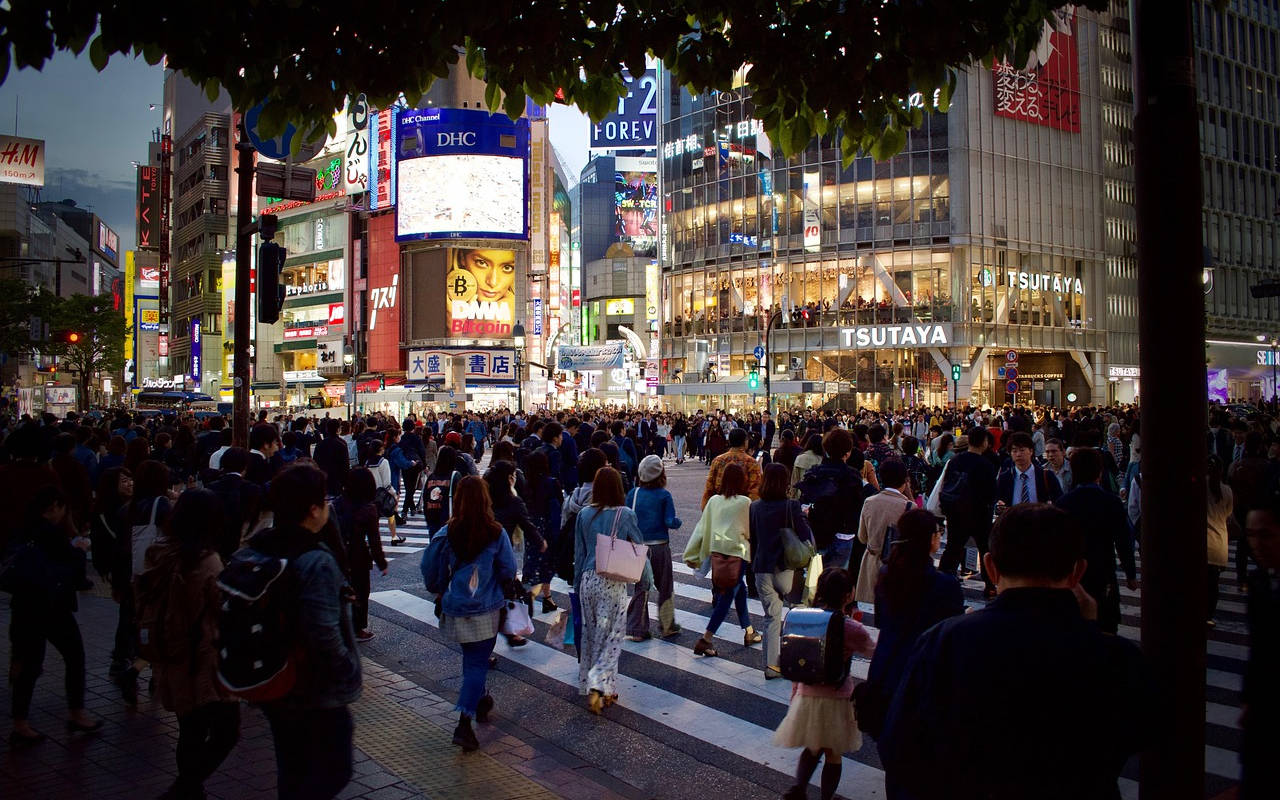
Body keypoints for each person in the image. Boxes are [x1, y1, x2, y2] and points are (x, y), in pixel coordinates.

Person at [878, 503, 1150, 799]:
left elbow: (900, 746)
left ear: (991, 567)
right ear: (1077, 571)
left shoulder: (946, 642)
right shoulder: (1116, 658)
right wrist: (1089, 630)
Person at [251, 463, 362, 800]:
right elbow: (323, 632)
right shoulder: (315, 560)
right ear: (313, 510)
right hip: (313, 682)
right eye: (324, 501)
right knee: (335, 768)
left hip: (274, 671)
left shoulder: (261, 545)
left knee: (291, 765)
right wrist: (346, 667)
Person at [141, 489, 241, 800]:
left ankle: (190, 791)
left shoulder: (159, 554)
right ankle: (184, 789)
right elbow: (224, 609)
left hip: (171, 654)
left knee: (190, 729)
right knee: (227, 731)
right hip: (204, 658)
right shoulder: (206, 561)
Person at [5, 485, 100, 748]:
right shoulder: (52, 534)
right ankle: (76, 713)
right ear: (56, 507)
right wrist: (80, 549)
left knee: (28, 662)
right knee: (74, 655)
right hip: (52, 605)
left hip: (24, 603)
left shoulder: (23, 530)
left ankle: (20, 723)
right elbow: (74, 569)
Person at [860, 509, 963, 741]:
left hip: (886, 666)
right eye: (938, 532)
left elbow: (881, 620)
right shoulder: (945, 585)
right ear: (929, 539)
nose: (940, 536)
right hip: (924, 674)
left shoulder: (887, 573)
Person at [773, 567, 875, 800]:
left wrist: (795, 694)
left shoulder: (807, 619)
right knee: (833, 753)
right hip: (837, 698)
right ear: (848, 595)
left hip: (807, 696)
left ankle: (799, 788)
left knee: (812, 747)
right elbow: (874, 651)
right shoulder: (850, 627)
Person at [433, 475, 519, 751]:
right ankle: (464, 723)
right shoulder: (495, 532)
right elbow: (508, 569)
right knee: (476, 664)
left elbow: (433, 570)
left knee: (472, 660)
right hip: (486, 608)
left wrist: (440, 590)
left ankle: (480, 699)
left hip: (456, 607)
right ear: (485, 500)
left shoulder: (446, 532)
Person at [574, 467, 652, 713]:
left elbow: (579, 553)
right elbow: (638, 548)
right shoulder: (625, 514)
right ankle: (602, 687)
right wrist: (646, 580)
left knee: (591, 635)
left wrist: (576, 585)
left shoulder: (584, 514)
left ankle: (593, 684)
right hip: (612, 581)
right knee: (611, 637)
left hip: (588, 579)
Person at [1053, 447, 1138, 635]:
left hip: (1073, 571)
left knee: (1074, 625)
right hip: (1103, 567)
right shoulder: (1111, 502)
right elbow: (1124, 540)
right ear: (1099, 472)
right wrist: (1130, 573)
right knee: (1106, 623)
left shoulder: (1063, 503)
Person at [684, 462, 760, 656]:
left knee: (738, 589)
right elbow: (750, 531)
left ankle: (749, 631)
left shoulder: (714, 501)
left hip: (718, 554)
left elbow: (702, 527)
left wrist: (692, 553)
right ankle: (706, 639)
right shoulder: (745, 502)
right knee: (728, 596)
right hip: (738, 554)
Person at [749, 463, 814, 679]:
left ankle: (771, 666)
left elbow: (753, 539)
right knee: (798, 611)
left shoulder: (755, 507)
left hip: (762, 567)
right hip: (787, 567)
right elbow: (804, 535)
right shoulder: (791, 506)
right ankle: (798, 659)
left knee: (771, 618)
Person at [1241, 498, 1280, 798]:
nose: (1256, 544)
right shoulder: (1259, 582)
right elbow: (1258, 651)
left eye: (1265, 535)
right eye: (1251, 535)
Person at [625, 455, 683, 640]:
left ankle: (637, 629)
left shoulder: (633, 493)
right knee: (665, 586)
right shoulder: (664, 495)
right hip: (659, 547)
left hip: (639, 547)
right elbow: (669, 521)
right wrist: (677, 522)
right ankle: (667, 625)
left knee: (641, 587)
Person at [937, 426, 999, 597]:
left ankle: (942, 582)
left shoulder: (955, 461)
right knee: (985, 549)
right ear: (984, 442)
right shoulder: (985, 464)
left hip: (956, 512)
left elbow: (946, 485)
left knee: (953, 548)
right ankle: (990, 585)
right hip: (980, 514)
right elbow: (992, 493)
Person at [332, 467, 388, 642]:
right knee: (361, 592)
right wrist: (382, 563)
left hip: (338, 553)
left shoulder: (337, 503)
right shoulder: (368, 509)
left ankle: (341, 625)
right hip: (358, 556)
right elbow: (374, 541)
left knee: (341, 590)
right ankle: (357, 629)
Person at [90, 466, 134, 678]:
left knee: (130, 612)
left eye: (130, 479)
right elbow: (102, 543)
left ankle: (125, 655)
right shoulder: (107, 513)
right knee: (129, 612)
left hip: (128, 567)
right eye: (124, 481)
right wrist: (105, 569)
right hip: (124, 568)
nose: (130, 483)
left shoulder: (131, 507)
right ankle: (123, 656)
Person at [854, 459, 914, 605]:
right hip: (897, 567)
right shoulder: (909, 507)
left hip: (871, 562)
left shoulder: (869, 501)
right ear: (905, 480)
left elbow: (862, 537)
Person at [520, 450, 563, 613]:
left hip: (532, 528)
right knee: (547, 564)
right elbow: (560, 504)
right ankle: (542, 597)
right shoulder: (551, 483)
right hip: (549, 527)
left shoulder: (527, 484)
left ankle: (540, 596)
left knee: (533, 562)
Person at [996, 431, 1063, 507]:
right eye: (1014, 451)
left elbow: (1059, 502)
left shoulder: (1046, 476)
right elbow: (998, 502)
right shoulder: (1004, 478)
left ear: (1031, 451)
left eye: (1022, 450)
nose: (1018, 454)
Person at [702, 427, 763, 508]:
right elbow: (754, 490)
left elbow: (709, 487)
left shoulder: (718, 460)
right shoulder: (751, 462)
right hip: (742, 508)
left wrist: (706, 507)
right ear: (745, 442)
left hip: (720, 507)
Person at [1205, 454, 1233, 626]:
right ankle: (1208, 616)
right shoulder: (1227, 491)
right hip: (1218, 543)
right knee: (1213, 584)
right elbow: (1229, 514)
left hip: (1202, 543)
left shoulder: (1200, 485)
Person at [365, 440, 404, 545]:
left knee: (374, 518)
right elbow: (387, 483)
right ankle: (394, 536)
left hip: (370, 494)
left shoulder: (367, 462)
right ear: (381, 449)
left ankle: (371, 539)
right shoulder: (383, 462)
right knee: (390, 514)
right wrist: (393, 493)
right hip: (382, 493)